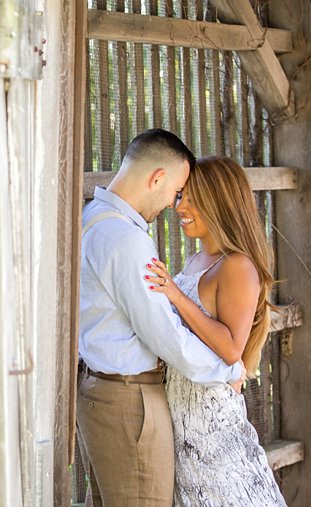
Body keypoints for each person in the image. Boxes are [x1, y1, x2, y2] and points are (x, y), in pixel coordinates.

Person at [77, 129, 244, 506]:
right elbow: (167, 338)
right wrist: (228, 371)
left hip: (98, 394)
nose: (173, 204)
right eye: (176, 191)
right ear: (157, 178)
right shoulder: (126, 240)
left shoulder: (92, 219)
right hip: (129, 403)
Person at [145, 155, 286, 506]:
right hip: (184, 426)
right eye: (180, 196)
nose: (180, 206)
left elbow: (231, 348)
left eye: (193, 198)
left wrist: (174, 294)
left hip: (213, 431)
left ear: (219, 202)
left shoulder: (237, 266)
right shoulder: (195, 261)